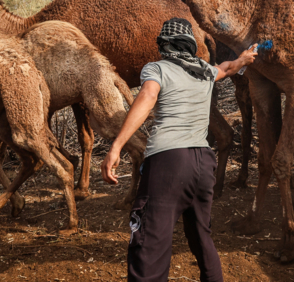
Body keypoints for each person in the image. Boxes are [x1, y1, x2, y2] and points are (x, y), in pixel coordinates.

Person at [101, 18, 257, 282]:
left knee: (149, 244)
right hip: (204, 163)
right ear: (190, 46)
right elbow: (227, 68)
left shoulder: (157, 69)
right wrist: (243, 59)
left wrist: (116, 146)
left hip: (168, 164)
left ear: (164, 45)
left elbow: (148, 97)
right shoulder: (204, 71)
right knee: (201, 238)